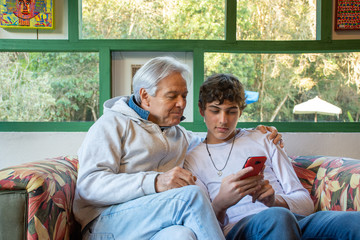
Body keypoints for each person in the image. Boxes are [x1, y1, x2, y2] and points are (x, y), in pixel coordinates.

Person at [73, 56, 282, 240]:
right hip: (105, 225)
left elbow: (215, 134)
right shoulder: (111, 125)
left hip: (153, 223)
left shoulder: (178, 134)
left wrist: (256, 132)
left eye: (184, 95)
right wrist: (155, 181)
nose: (182, 103)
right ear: (145, 96)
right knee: (191, 196)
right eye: (172, 96)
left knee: (182, 235)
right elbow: (89, 186)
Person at [184, 73, 360, 240]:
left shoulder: (264, 139)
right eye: (215, 111)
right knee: (277, 218)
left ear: (241, 111)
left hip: (290, 220)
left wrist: (274, 201)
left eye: (231, 111)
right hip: (239, 228)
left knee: (353, 221)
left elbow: (305, 204)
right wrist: (221, 203)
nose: (223, 120)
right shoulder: (192, 159)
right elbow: (201, 225)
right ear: (201, 110)